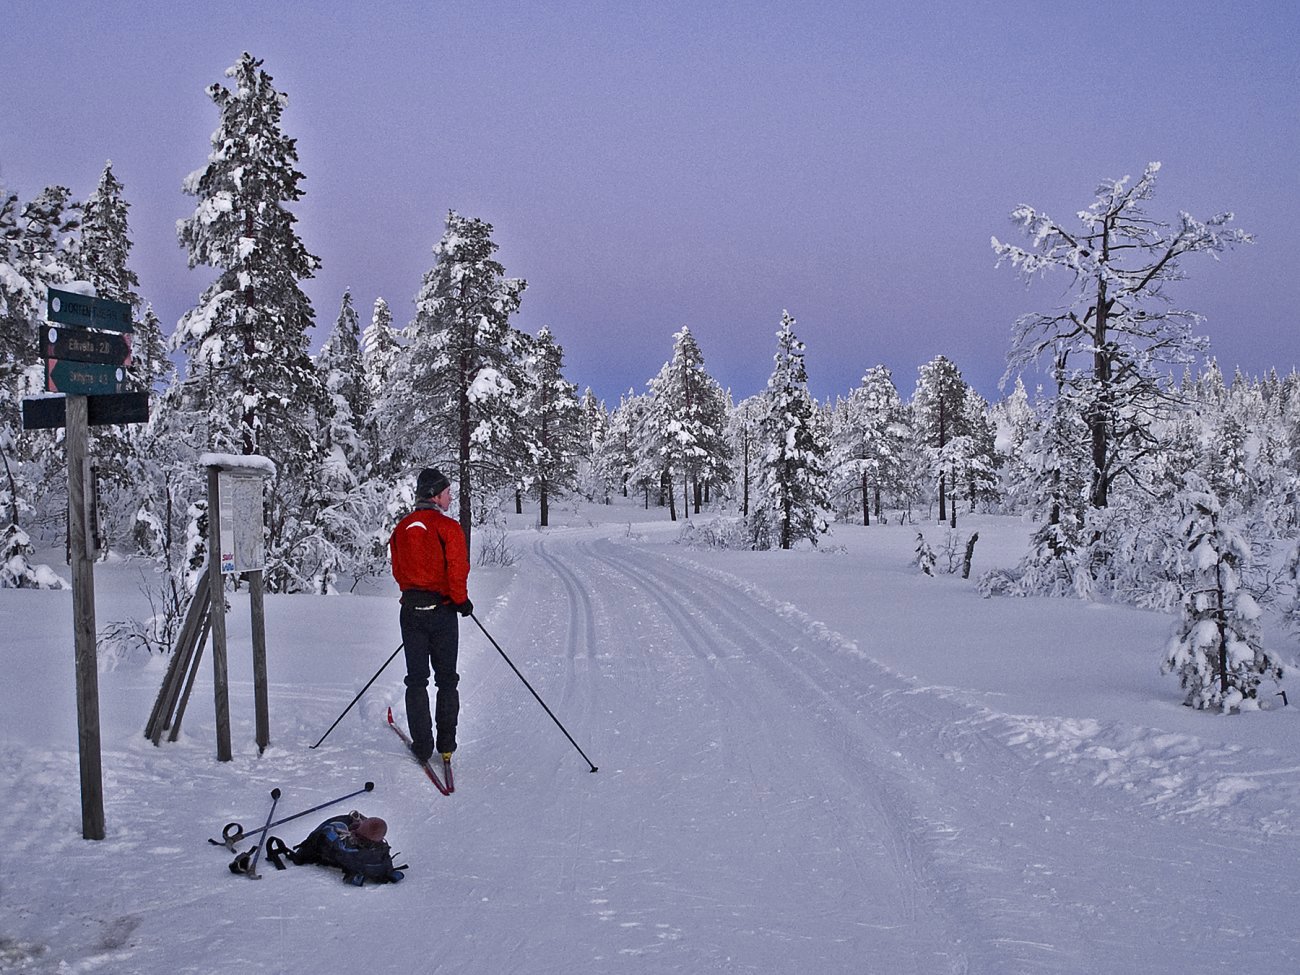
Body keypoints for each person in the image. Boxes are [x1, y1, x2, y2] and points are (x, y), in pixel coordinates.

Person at [389, 467, 473, 763]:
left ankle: (423, 746)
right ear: (435, 495)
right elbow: (457, 568)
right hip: (443, 613)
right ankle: (446, 744)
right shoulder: (448, 527)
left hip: (411, 613)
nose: (450, 497)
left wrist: (414, 594)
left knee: (416, 679)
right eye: (447, 492)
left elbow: (398, 569)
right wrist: (461, 601)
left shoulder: (401, 528)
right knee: (446, 679)